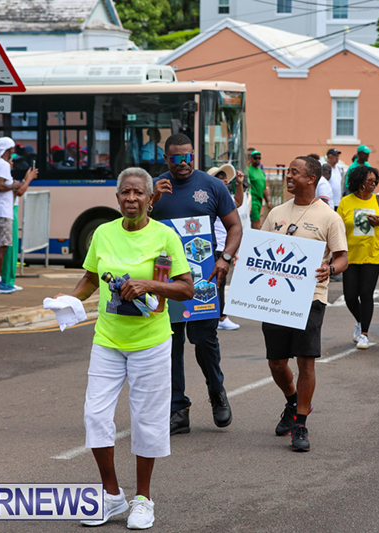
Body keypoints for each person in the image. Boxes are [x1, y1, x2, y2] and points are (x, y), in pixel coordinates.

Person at [59, 167, 194, 529]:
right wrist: (69, 302)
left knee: (147, 421)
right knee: (95, 416)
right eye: (125, 193)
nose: (131, 199)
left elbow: (185, 288)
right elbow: (89, 278)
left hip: (150, 342)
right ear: (117, 197)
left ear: (151, 199)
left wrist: (147, 284)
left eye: (138, 193)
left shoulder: (164, 237)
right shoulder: (103, 233)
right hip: (108, 339)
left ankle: (143, 499)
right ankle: (111, 495)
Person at [150, 133, 242, 434]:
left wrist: (225, 258)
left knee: (204, 341)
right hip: (166, 276)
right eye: (176, 158)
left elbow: (234, 226)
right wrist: (152, 200)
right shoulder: (154, 188)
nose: (183, 163)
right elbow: (134, 225)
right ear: (166, 159)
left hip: (205, 275)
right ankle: (178, 409)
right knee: (170, 344)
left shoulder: (212, 186)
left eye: (188, 157)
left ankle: (217, 392)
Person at [262, 156, 348, 452]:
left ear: (311, 178)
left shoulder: (328, 216)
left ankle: (300, 422)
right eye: (288, 172)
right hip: (275, 297)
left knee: (305, 360)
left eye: (294, 173)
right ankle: (292, 400)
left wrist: (331, 269)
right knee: (276, 362)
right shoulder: (276, 213)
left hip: (311, 297)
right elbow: (261, 249)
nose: (288, 176)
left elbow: (342, 257)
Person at [338, 166, 379, 349]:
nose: (374, 184)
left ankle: (364, 334)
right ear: (360, 181)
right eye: (370, 181)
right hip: (350, 254)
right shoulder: (346, 202)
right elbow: (337, 228)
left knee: (366, 293)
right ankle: (360, 321)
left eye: (376, 181)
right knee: (350, 296)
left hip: (373, 253)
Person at [0, 137, 37, 294]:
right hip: (4, 211)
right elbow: (5, 187)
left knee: (4, 246)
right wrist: (24, 181)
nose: (14, 152)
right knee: (3, 247)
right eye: (12, 149)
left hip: (1, 210)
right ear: (8, 150)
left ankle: (0, 280)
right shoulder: (2, 165)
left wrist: (16, 184)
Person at [208, 164, 244, 332]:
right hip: (215, 246)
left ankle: (217, 316)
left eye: (224, 179)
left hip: (225, 247)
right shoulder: (211, 197)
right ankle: (220, 317)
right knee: (218, 283)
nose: (223, 181)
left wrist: (239, 184)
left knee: (219, 283)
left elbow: (238, 202)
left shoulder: (225, 197)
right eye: (219, 178)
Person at [247, 150, 270, 230]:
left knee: (258, 220)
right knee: (256, 221)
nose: (257, 160)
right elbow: (248, 186)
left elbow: (264, 187)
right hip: (253, 200)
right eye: (255, 158)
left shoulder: (261, 171)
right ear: (251, 159)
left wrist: (268, 202)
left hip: (260, 200)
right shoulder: (248, 170)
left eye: (259, 158)